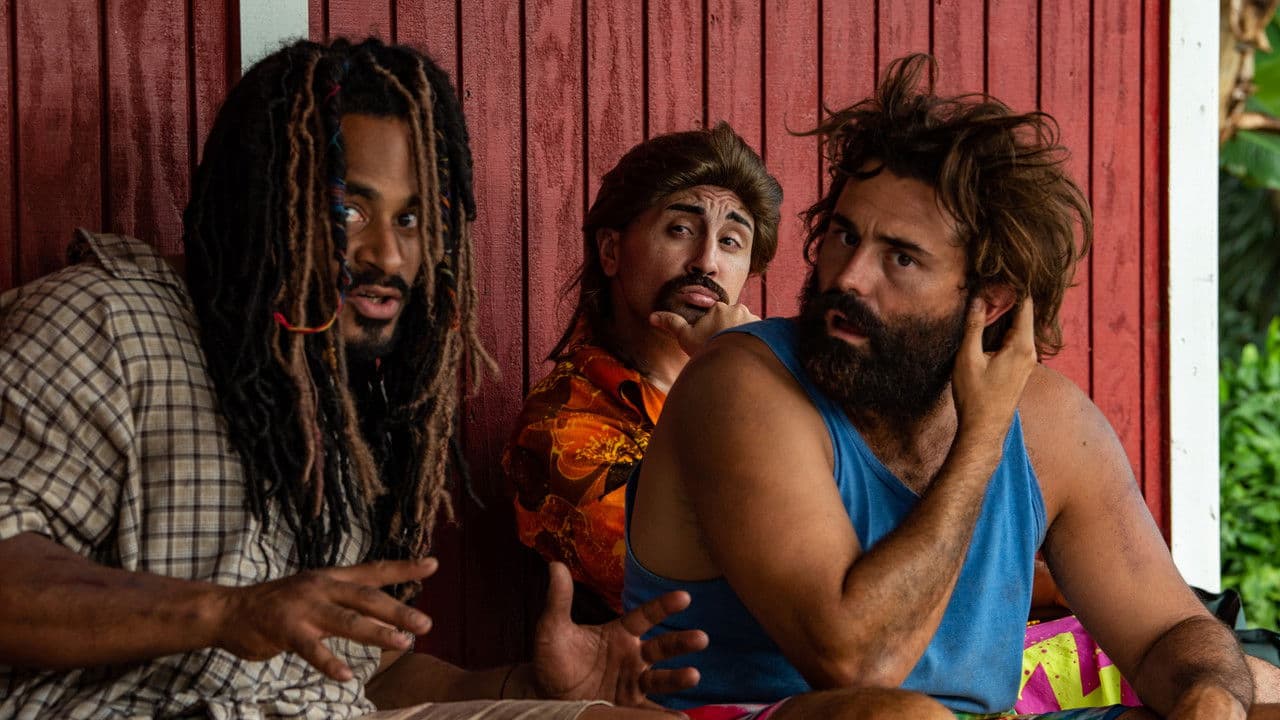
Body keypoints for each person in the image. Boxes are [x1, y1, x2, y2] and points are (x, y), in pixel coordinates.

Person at [0, 37, 705, 719]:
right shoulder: (102, 321)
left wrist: (536, 685)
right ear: (260, 198)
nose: (388, 255)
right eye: (349, 210)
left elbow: (367, 675)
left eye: (413, 218)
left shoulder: (357, 392)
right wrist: (224, 612)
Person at [625, 54, 1280, 720]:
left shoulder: (1050, 421)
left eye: (900, 258)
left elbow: (1169, 628)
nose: (848, 276)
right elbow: (858, 664)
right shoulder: (742, 385)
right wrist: (981, 441)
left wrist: (1210, 695)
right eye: (844, 236)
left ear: (989, 301)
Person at [503, 123, 782, 619]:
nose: (707, 262)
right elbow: (711, 593)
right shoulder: (562, 431)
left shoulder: (769, 383)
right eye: (681, 230)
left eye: (731, 241)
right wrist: (740, 380)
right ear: (611, 251)